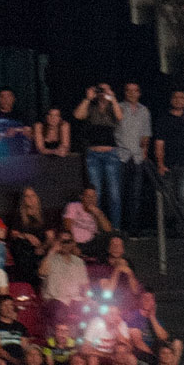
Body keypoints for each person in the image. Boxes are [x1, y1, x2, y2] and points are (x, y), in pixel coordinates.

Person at [72, 83, 123, 228]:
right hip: (93, 154)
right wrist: (88, 98)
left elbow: (120, 117)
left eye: (104, 90)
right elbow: (77, 115)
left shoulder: (113, 107)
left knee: (114, 195)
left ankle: (115, 229)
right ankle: (95, 228)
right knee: (96, 194)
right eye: (100, 89)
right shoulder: (91, 107)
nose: (102, 92)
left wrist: (112, 97)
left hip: (110, 154)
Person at [154, 90, 184, 220]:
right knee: (168, 197)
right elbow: (159, 143)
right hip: (168, 163)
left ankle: (183, 226)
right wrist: (160, 164)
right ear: (171, 100)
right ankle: (170, 225)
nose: (178, 100)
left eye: (181, 97)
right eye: (175, 97)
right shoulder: (164, 119)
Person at [115, 82, 152, 237]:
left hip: (137, 157)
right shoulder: (118, 107)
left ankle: (133, 229)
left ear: (139, 93)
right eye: (128, 90)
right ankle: (118, 228)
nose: (131, 93)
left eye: (134, 90)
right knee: (119, 194)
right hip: (121, 155)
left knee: (135, 195)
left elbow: (146, 133)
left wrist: (144, 151)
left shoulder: (144, 111)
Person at [38, 233, 89, 330]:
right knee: (59, 311)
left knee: (91, 310)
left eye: (68, 242)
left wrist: (88, 299)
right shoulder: (50, 259)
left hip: (75, 300)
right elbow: (42, 272)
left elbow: (85, 285)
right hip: (54, 300)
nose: (65, 244)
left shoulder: (78, 262)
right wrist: (52, 251)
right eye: (62, 241)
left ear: (73, 243)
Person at [127, 291, 182, 365]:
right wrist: (153, 355)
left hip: (155, 349)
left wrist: (152, 317)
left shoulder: (155, 318)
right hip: (141, 351)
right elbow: (138, 342)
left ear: (154, 302)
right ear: (140, 300)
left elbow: (164, 337)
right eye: (145, 298)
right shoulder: (134, 316)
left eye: (150, 298)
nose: (147, 301)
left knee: (177, 343)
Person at [8, 186, 52, 287]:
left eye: (32, 196)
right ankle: (28, 285)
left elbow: (50, 237)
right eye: (27, 196)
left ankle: (37, 284)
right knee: (21, 244)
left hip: (41, 248)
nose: (30, 199)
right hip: (24, 249)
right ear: (23, 200)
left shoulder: (44, 215)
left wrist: (42, 247)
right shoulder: (18, 216)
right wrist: (27, 236)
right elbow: (14, 234)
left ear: (37, 198)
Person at [62, 187, 112, 260]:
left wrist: (99, 214)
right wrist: (73, 245)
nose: (91, 199)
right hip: (76, 242)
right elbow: (67, 226)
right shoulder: (74, 206)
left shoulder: (97, 211)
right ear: (82, 197)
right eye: (88, 196)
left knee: (116, 237)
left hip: (91, 243)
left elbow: (109, 231)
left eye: (93, 197)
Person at [0, 88, 32, 157]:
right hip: (0, 157)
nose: (6, 100)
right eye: (2, 97)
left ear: (14, 99)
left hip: (22, 155)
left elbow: (31, 136)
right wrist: (4, 134)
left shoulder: (22, 115)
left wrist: (27, 133)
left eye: (8, 96)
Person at [0, 295, 28, 365]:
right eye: (5, 305)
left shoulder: (20, 327)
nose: (8, 308)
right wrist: (12, 359)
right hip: (2, 362)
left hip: (19, 361)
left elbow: (25, 347)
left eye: (10, 305)